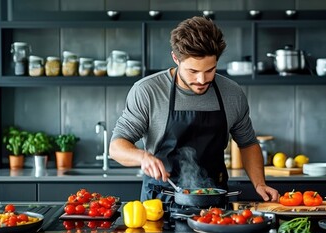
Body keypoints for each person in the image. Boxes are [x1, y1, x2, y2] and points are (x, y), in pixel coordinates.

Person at [109, 16, 279, 202]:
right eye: (193, 71)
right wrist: (142, 157)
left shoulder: (232, 93)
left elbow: (248, 144)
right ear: (176, 58)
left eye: (210, 70)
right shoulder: (148, 91)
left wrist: (259, 183)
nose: (201, 80)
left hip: (214, 205)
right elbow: (117, 147)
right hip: (160, 203)